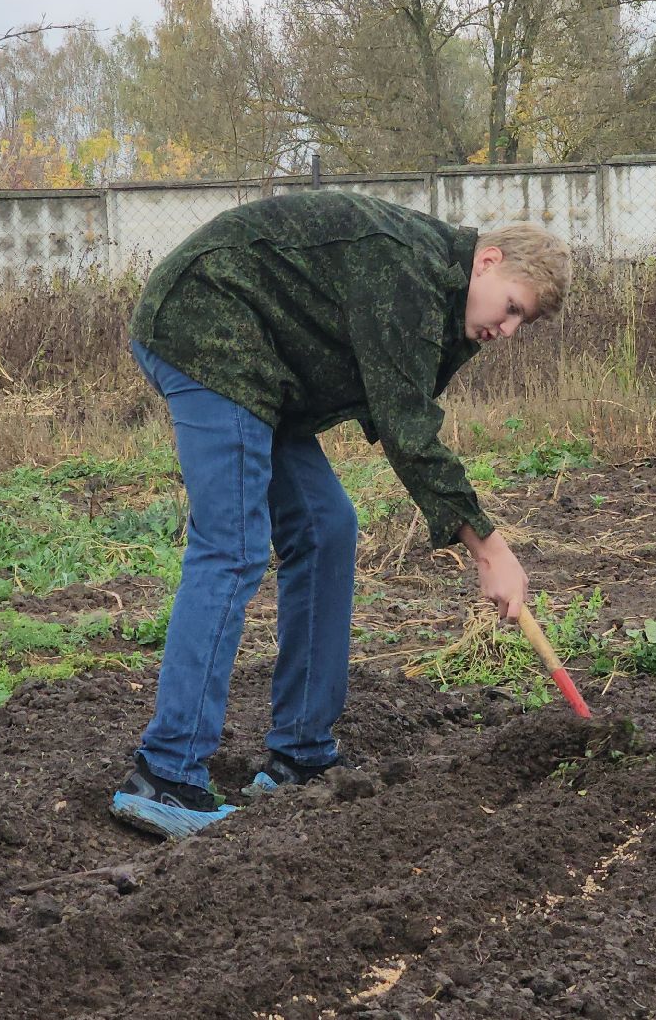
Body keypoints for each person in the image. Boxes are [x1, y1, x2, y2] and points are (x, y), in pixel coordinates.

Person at [110, 190, 570, 840]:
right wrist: (489, 549)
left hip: (267, 367)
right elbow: (408, 431)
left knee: (327, 528)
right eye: (513, 308)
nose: (509, 330)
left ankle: (300, 754)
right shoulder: (408, 269)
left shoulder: (444, 294)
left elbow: (397, 401)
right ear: (488, 262)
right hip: (208, 329)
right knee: (233, 547)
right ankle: (165, 773)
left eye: (525, 323)